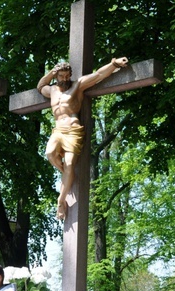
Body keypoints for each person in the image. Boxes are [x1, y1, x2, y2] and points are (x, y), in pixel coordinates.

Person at [37, 57, 129, 220]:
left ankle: (61, 200)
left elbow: (98, 75)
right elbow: (40, 86)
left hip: (73, 129)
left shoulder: (77, 86)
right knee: (50, 154)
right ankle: (68, 174)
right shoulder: (51, 90)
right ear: (56, 76)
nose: (65, 79)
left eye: (67, 76)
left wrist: (114, 64)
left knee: (71, 163)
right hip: (58, 129)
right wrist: (51, 72)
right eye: (61, 76)